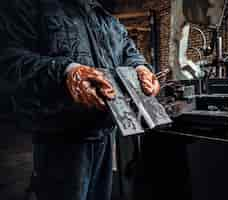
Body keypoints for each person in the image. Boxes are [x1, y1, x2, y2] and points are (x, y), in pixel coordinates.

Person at [0, 0, 160, 200]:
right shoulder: (29, 6)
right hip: (57, 141)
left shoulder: (106, 18)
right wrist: (66, 71)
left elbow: (129, 52)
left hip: (105, 134)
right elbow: (9, 61)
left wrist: (141, 68)